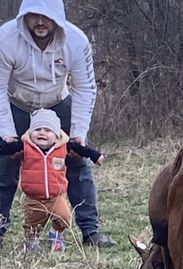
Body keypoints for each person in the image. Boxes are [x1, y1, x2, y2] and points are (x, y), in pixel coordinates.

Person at [0, 1, 113, 247]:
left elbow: (84, 88)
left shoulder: (77, 41)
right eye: (34, 16)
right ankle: (0, 227)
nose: (40, 22)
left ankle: (91, 231)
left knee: (77, 161)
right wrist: (7, 133)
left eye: (47, 16)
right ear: (24, 16)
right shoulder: (5, 39)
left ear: (57, 18)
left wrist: (79, 133)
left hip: (58, 103)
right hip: (16, 102)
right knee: (4, 165)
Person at [0, 107, 104, 252]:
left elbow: (82, 150)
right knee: (33, 223)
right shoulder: (25, 147)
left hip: (57, 196)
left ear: (56, 135)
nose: (42, 133)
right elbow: (5, 149)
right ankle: (31, 242)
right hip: (34, 197)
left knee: (64, 218)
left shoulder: (64, 147)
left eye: (48, 130)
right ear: (31, 133)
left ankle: (56, 234)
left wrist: (95, 155)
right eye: (37, 130)